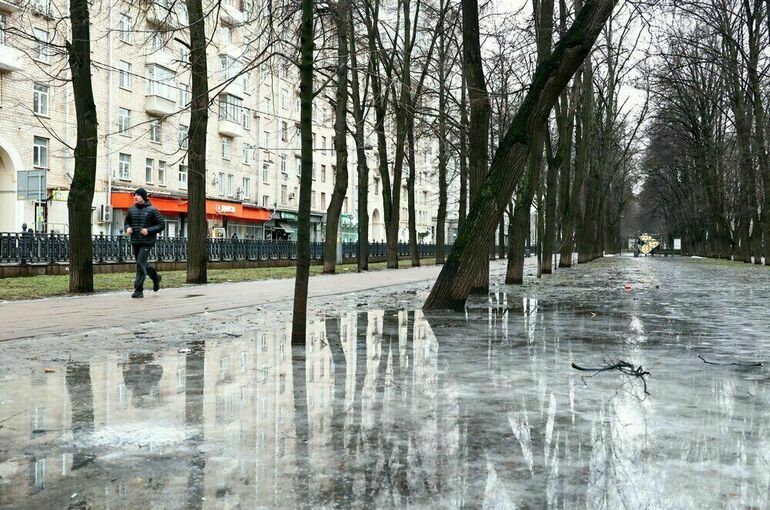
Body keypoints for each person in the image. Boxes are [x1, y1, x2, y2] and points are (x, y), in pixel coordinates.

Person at [124, 188, 164, 298]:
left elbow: (161, 225)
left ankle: (138, 289)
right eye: (134, 195)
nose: (135, 197)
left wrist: (148, 231)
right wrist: (127, 228)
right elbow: (127, 222)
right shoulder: (131, 210)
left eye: (137, 195)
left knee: (140, 262)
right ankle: (156, 277)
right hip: (135, 241)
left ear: (143, 197)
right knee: (141, 263)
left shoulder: (152, 210)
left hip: (147, 241)